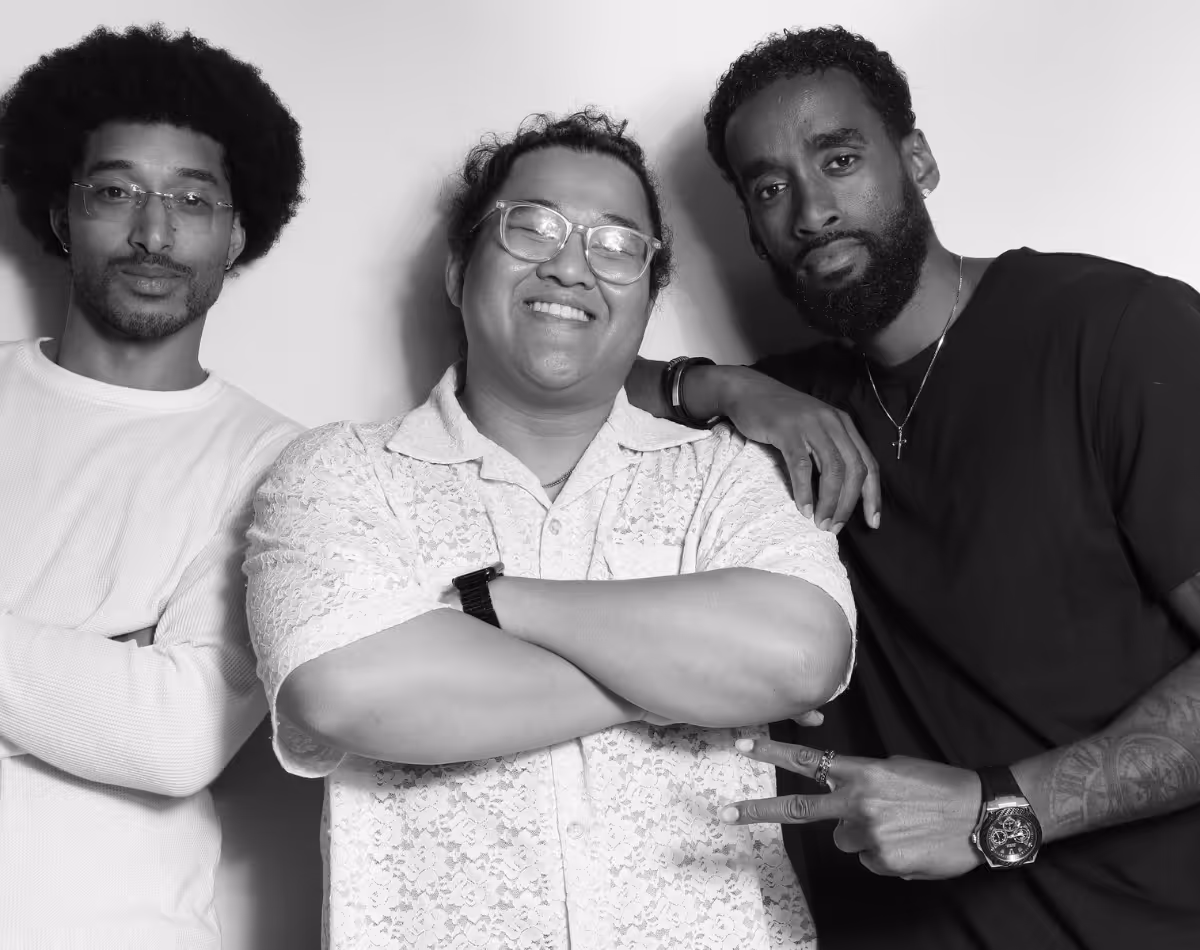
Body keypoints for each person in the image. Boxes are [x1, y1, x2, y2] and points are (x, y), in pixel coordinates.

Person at [624, 25, 1200, 950]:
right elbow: (562, 366)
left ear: (918, 159)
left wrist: (999, 810)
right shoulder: (789, 406)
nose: (810, 211)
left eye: (839, 159)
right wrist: (724, 383)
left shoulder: (1118, 333)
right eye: (769, 189)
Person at [245, 109, 856, 949]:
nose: (571, 265)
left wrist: (496, 604)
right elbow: (345, 694)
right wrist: (688, 686)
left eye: (616, 245)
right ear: (461, 268)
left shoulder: (729, 471)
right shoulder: (339, 472)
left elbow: (799, 655)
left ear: (648, 294)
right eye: (533, 227)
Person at [0, 24, 304, 948]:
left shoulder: (281, 462)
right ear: (61, 214)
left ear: (238, 228)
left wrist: (136, 702)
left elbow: (176, 736)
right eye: (116, 190)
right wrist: (87, 667)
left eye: (191, 198)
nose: (153, 231)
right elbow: (129, 710)